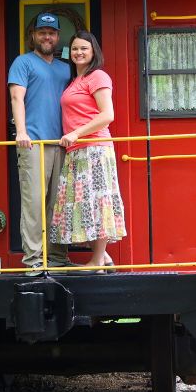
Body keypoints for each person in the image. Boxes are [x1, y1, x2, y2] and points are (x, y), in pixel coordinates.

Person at [50, 31, 126, 271]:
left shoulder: (97, 76)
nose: (78, 52)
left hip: (94, 148)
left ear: (93, 52)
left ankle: (96, 261)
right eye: (74, 49)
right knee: (87, 203)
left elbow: (107, 115)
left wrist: (75, 133)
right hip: (78, 150)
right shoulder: (76, 81)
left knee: (98, 201)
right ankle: (102, 258)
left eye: (84, 48)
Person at [7, 12, 71, 273]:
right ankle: (34, 260)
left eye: (52, 33)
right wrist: (21, 132)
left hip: (63, 143)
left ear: (57, 37)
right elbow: (16, 98)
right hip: (33, 143)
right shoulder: (23, 62)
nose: (47, 37)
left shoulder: (65, 67)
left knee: (59, 202)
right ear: (33, 35)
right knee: (34, 203)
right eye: (42, 32)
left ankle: (57, 258)